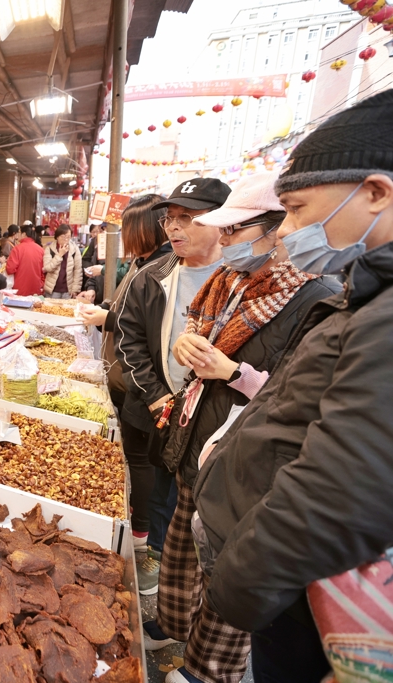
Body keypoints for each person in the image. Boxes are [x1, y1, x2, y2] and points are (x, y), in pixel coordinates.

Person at [193, 90, 393, 683]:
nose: (292, 230)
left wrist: (238, 584)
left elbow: (341, 490)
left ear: (377, 193)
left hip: (302, 594)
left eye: (300, 210)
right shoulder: (363, 296)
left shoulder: (368, 310)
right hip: (284, 582)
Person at [141, 173, 340, 683]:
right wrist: (189, 347)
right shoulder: (226, 283)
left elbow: (304, 397)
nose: (224, 242)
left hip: (249, 462)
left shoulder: (315, 297)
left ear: (276, 230)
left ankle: (205, 671)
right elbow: (197, 330)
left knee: (226, 568)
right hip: (197, 438)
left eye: (234, 233)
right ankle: (171, 622)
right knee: (183, 547)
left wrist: (233, 373)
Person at [115, 177, 231, 595]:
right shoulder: (153, 275)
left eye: (189, 218)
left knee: (202, 512)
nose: (175, 228)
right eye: (171, 219)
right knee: (159, 493)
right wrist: (155, 395)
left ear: (224, 222)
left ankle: (187, 597)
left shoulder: (241, 279)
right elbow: (128, 339)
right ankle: (159, 576)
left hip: (215, 419)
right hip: (158, 408)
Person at [79, 195, 170, 546]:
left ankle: (141, 538)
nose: (123, 235)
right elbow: (125, 307)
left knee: (141, 460)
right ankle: (135, 526)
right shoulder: (141, 264)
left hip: (143, 385)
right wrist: (102, 306)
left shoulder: (161, 270)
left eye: (128, 227)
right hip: (121, 378)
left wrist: (108, 318)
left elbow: (146, 328)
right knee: (131, 456)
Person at [42, 224, 83, 299]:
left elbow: (78, 270)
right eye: (63, 237)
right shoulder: (50, 249)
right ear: (57, 237)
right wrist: (59, 255)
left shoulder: (75, 249)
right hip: (52, 290)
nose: (66, 239)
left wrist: (75, 289)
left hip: (68, 291)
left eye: (68, 237)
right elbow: (47, 268)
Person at [5, 224, 44, 296]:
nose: (18, 235)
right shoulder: (41, 250)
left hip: (19, 289)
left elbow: (10, 269)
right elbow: (43, 271)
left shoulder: (17, 249)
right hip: (36, 288)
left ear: (24, 234)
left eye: (19, 233)